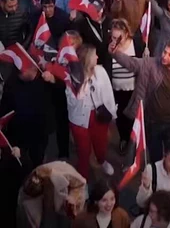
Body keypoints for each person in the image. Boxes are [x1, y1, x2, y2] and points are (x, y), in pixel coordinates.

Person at [111, 39, 170, 163]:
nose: (164, 56)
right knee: (155, 158)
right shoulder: (149, 64)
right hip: (153, 122)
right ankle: (156, 180)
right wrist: (115, 53)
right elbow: (132, 63)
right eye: (165, 52)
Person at [43, 43, 116, 180]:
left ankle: (101, 160)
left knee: (101, 144)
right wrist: (81, 85)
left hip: (98, 115)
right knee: (83, 151)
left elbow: (108, 93)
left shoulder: (100, 71)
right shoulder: (71, 77)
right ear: (87, 59)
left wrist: (112, 113)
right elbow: (72, 102)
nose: (97, 57)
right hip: (79, 120)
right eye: (94, 55)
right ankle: (83, 180)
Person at [109, 18, 145, 155]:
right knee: (120, 117)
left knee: (132, 118)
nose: (115, 41)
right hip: (116, 90)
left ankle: (133, 142)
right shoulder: (110, 48)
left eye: (119, 38)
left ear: (126, 33)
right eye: (113, 37)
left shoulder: (135, 44)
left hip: (133, 90)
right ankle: (124, 139)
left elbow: (142, 65)